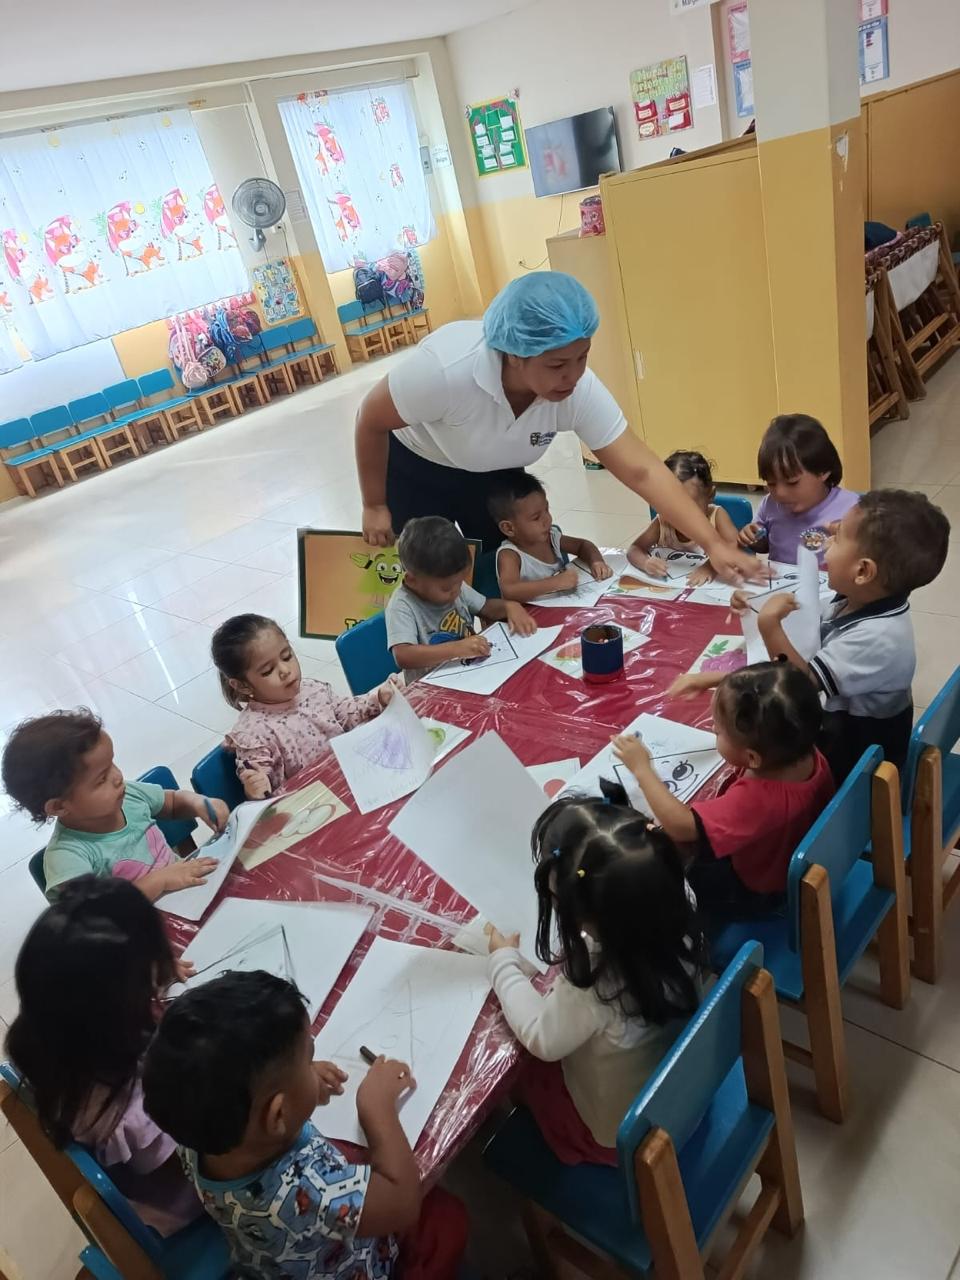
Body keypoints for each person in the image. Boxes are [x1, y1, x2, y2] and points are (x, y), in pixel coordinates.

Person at [354, 272, 760, 585]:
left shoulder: (578, 389)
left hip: (494, 470)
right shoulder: (444, 371)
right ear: (514, 355)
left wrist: (712, 544)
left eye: (582, 357)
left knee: (501, 566)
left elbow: (642, 470)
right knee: (429, 573)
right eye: (557, 365)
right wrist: (374, 504)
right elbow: (369, 420)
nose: (573, 375)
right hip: (419, 467)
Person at [143, 970, 467, 1280]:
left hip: (270, 1262)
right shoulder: (308, 1192)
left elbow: (261, 1109)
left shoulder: (197, 1137)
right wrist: (378, 1108)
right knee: (450, 1220)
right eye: (308, 1058)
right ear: (278, 1116)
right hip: (352, 1267)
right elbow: (402, 1203)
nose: (313, 1065)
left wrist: (299, 1086)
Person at [486, 797, 704, 1165]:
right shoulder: (681, 898)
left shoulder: (596, 983)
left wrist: (502, 962)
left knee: (523, 1072)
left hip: (626, 1139)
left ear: (585, 917)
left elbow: (542, 1038)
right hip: (689, 1095)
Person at [5, 877, 202, 1235]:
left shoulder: (47, 1033)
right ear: (119, 1001)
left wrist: (147, 972)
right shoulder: (132, 1111)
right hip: (187, 1199)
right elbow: (201, 1168)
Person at [744, 490, 950, 780]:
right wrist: (757, 605)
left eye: (837, 539)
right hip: (845, 732)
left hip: (858, 765)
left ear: (863, 571)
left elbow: (798, 685)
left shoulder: (878, 637)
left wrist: (769, 624)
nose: (827, 544)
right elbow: (814, 627)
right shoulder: (861, 598)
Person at [617, 661, 835, 919]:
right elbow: (774, 692)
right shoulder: (798, 743)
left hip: (761, 890)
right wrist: (714, 681)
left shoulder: (759, 799)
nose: (712, 729)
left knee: (667, 874)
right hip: (798, 858)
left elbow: (680, 825)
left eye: (719, 731)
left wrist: (642, 769)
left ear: (752, 758)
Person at [1, 709, 223, 901]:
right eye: (101, 779)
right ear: (58, 806)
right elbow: (95, 914)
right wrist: (160, 881)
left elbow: (173, 803)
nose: (117, 777)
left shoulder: (127, 795)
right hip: (143, 929)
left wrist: (199, 803)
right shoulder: (67, 858)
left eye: (112, 764)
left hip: (189, 894)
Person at [212, 614, 402, 800]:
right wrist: (255, 788)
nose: (285, 671)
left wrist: (378, 698)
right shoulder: (252, 733)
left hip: (351, 779)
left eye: (287, 656)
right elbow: (260, 786)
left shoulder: (311, 689)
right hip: (312, 803)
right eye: (268, 671)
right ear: (242, 686)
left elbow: (345, 713)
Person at [386, 516, 536, 681]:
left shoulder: (454, 586)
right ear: (412, 580)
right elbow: (403, 656)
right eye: (446, 588)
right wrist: (457, 648)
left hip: (471, 673)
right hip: (433, 688)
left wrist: (510, 607)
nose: (456, 591)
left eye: (460, 582)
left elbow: (486, 607)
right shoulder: (402, 605)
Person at [737, 414, 859, 565]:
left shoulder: (852, 509)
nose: (780, 493)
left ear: (823, 470)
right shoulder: (769, 505)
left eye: (792, 483)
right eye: (771, 483)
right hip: (781, 579)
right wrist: (753, 538)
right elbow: (764, 546)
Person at [488, 470, 612, 602]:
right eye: (536, 518)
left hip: (566, 605)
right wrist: (555, 583)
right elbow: (509, 590)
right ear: (509, 528)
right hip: (531, 613)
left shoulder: (550, 537)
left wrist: (596, 561)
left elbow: (583, 545)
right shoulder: (510, 554)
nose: (547, 519)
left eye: (547, 510)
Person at [626, 450, 739, 587]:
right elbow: (635, 549)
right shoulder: (663, 523)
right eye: (670, 505)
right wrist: (645, 563)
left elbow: (734, 547)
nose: (680, 514)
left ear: (711, 494)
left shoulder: (717, 517)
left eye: (689, 505)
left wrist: (710, 567)